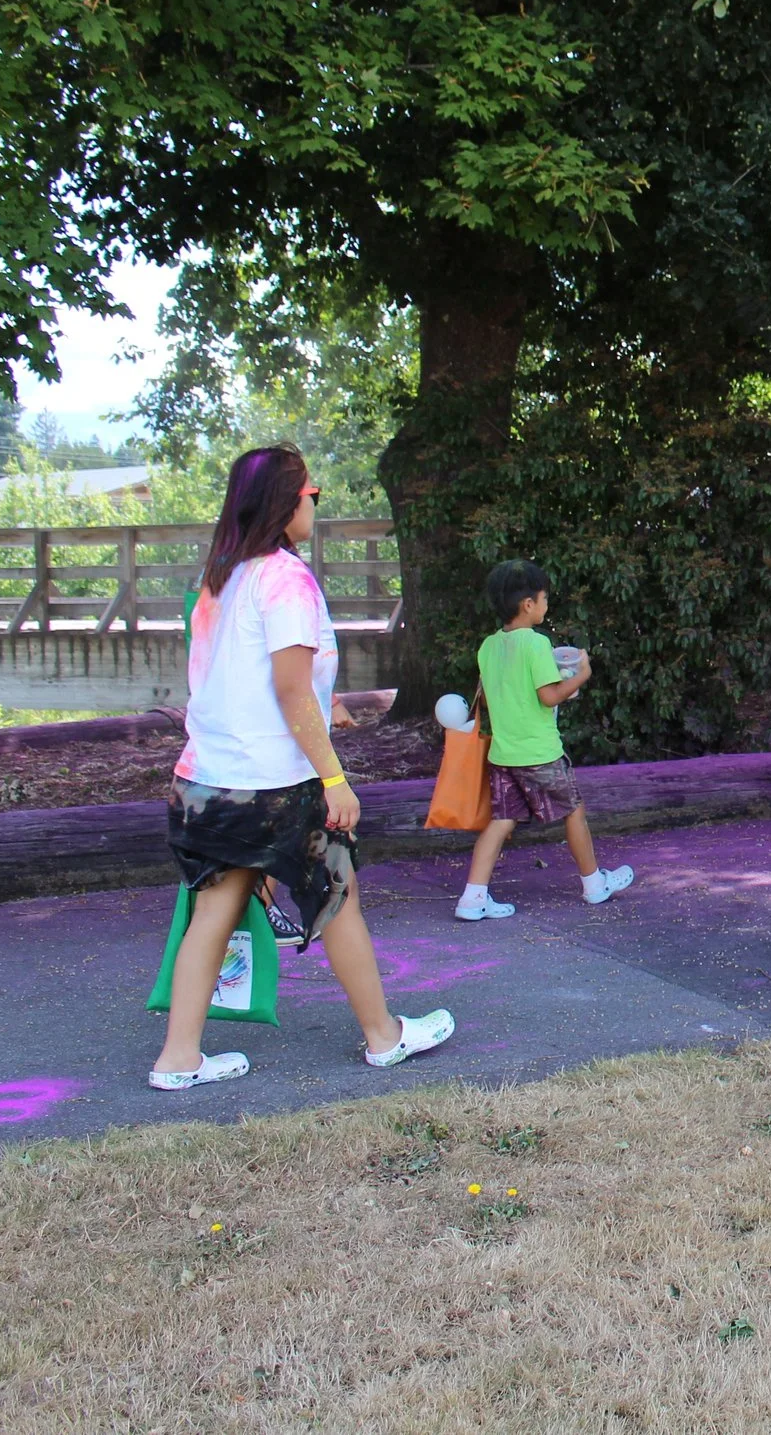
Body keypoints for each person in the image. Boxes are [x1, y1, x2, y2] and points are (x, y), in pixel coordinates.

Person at [151, 446, 452, 1091]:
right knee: (337, 899)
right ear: (285, 502)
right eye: (313, 493)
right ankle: (384, 1037)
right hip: (277, 787)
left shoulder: (219, 577)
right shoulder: (286, 578)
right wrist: (335, 777)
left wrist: (328, 703)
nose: (317, 503)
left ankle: (178, 1059)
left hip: (204, 781)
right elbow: (289, 688)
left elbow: (248, 678)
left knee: (213, 911)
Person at [452, 560, 636, 921]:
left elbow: (487, 698)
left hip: (504, 754)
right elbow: (549, 696)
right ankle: (594, 884)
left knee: (502, 822)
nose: (546, 604)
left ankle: (473, 897)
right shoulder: (536, 644)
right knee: (574, 812)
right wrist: (581, 674)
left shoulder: (489, 646)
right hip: (539, 752)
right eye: (544, 598)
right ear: (528, 604)